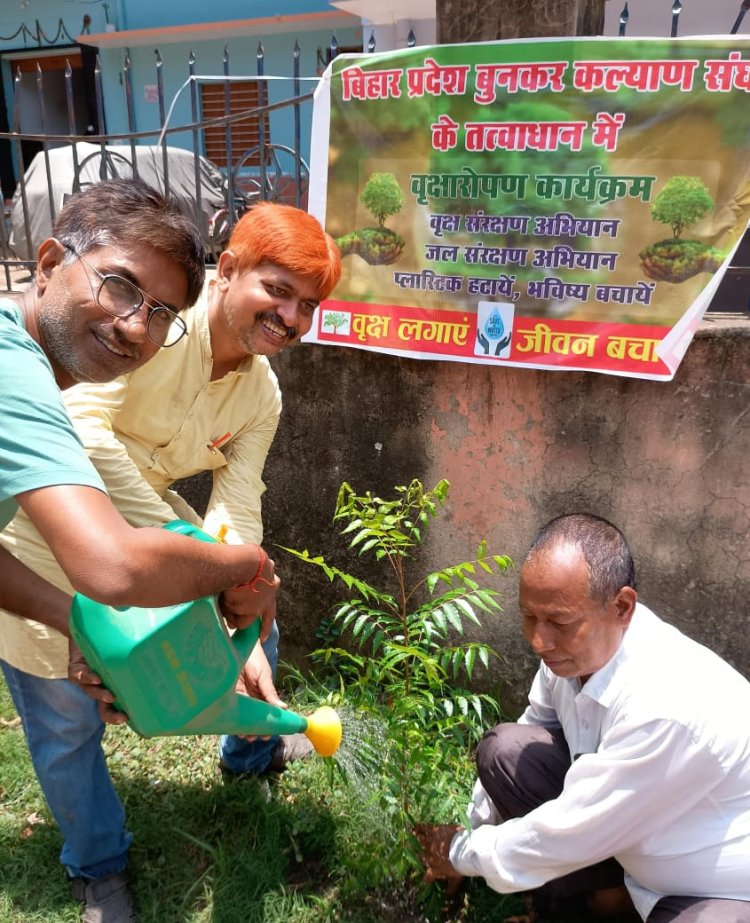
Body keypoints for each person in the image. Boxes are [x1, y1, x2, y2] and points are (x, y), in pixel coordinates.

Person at [0, 201, 341, 922]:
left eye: (307, 305)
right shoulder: (118, 346)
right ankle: (98, 867)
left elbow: (239, 502)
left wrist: (235, 581)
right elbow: (88, 443)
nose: (291, 317)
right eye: (277, 290)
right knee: (66, 725)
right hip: (47, 533)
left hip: (129, 550)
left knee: (258, 614)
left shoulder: (257, 391)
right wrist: (208, 563)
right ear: (230, 270)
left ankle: (249, 747)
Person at [416, 513, 750, 923]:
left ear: (622, 607)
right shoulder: (571, 660)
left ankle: (615, 903)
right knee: (506, 750)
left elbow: (569, 830)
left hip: (715, 885)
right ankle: (594, 901)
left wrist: (458, 854)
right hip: (631, 836)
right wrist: (471, 828)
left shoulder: (664, 706)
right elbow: (533, 722)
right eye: (529, 617)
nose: (540, 640)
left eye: (559, 621)